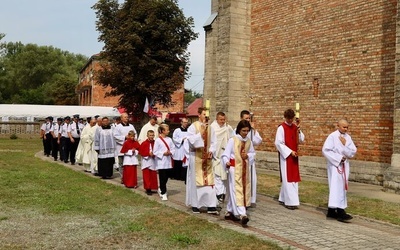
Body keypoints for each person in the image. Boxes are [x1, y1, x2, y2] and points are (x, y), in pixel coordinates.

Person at [221, 120, 255, 226]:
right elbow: (225, 154)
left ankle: (229, 212)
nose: (245, 133)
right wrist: (226, 162)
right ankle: (243, 214)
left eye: (247, 131)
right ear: (239, 130)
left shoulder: (249, 141)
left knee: (237, 191)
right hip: (234, 169)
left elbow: (253, 153)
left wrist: (248, 156)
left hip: (244, 169)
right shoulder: (233, 140)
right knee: (237, 191)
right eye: (243, 130)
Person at [322, 119, 357, 222]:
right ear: (338, 126)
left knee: (342, 187)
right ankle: (340, 211)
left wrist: (345, 145)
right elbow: (325, 150)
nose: (346, 129)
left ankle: (332, 211)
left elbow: (352, 152)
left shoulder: (348, 138)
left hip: (344, 165)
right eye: (344, 127)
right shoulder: (332, 136)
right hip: (335, 166)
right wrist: (338, 158)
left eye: (347, 127)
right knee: (335, 187)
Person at [186, 107, 218, 214]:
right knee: (196, 181)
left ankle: (211, 205)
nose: (206, 117)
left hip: (207, 159)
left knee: (209, 181)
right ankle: (196, 205)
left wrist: (211, 151)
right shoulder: (193, 126)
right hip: (196, 157)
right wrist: (201, 133)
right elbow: (191, 141)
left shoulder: (211, 128)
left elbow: (214, 142)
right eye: (204, 114)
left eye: (207, 115)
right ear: (199, 115)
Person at [274, 108, 305, 210]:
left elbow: (301, 140)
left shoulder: (295, 127)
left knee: (293, 178)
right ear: (285, 117)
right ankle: (290, 202)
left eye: (291, 119)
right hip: (286, 156)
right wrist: (289, 152)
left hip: (294, 155)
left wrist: (299, 131)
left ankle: (283, 198)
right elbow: (278, 143)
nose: (290, 121)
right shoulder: (281, 128)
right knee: (288, 178)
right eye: (288, 119)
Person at [237, 110, 263, 207]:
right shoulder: (237, 130)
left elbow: (257, 141)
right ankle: (241, 199)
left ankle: (251, 199)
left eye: (249, 118)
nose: (248, 120)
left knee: (251, 179)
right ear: (241, 118)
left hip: (249, 159)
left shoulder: (251, 131)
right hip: (240, 159)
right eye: (246, 118)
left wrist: (254, 130)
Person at [210, 112, 233, 204]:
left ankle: (223, 193)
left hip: (225, 155)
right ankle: (219, 193)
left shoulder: (227, 128)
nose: (223, 121)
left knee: (225, 176)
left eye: (224, 119)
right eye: (221, 120)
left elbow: (232, 137)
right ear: (217, 119)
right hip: (216, 156)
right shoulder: (212, 128)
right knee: (217, 175)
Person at [153, 124, 175, 201]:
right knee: (162, 177)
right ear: (162, 131)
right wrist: (163, 153)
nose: (168, 131)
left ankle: (161, 188)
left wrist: (170, 152)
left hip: (168, 161)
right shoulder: (158, 140)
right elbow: (155, 151)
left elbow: (173, 148)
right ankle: (163, 192)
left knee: (166, 177)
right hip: (161, 162)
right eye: (167, 130)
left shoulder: (169, 139)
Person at [114, 113, 137, 182]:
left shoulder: (131, 126)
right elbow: (115, 136)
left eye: (127, 117)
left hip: (130, 149)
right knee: (121, 164)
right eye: (125, 117)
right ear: (121, 118)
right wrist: (125, 137)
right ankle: (123, 177)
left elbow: (135, 135)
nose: (127, 118)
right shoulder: (118, 127)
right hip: (121, 147)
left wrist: (132, 140)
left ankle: (128, 177)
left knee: (129, 164)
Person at [139, 130, 159, 195]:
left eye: (152, 135)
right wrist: (148, 154)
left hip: (153, 161)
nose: (151, 136)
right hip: (146, 162)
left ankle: (152, 187)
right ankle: (148, 188)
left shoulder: (155, 143)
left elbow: (158, 151)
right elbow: (141, 152)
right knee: (147, 176)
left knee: (153, 175)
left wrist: (154, 154)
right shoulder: (144, 143)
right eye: (150, 135)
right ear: (147, 135)